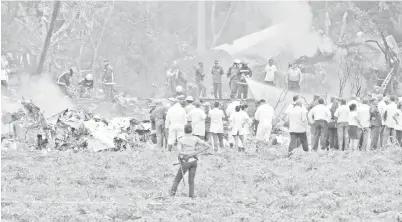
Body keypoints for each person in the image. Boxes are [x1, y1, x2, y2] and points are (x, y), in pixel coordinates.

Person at [170, 124, 211, 198]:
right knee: (191, 181)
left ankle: (171, 195)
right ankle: (191, 196)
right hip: (194, 161)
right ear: (191, 130)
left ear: (184, 131)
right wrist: (195, 153)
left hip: (186, 161)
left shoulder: (181, 139)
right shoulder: (195, 138)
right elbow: (207, 146)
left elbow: (179, 152)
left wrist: (186, 154)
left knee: (177, 179)